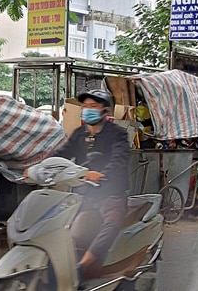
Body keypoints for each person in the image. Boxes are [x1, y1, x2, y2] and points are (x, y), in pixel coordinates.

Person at [50, 89, 131, 279]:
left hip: (111, 193)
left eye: (93, 107)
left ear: (105, 111)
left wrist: (103, 174)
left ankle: (85, 263)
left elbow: (120, 159)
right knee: (59, 223)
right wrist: (42, 167)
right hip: (83, 193)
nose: (87, 110)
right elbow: (62, 153)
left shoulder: (117, 134)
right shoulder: (79, 133)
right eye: (85, 107)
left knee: (111, 223)